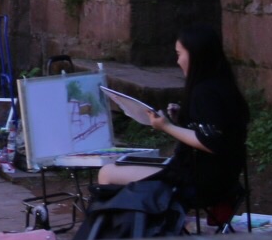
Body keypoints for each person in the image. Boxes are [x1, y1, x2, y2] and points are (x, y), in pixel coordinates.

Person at [97, 23, 250, 212]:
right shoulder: (223, 85)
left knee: (107, 173)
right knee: (125, 167)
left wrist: (167, 127)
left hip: (197, 183)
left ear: (195, 54)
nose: (177, 62)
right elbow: (214, 129)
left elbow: (211, 142)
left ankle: (118, 235)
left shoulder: (205, 92)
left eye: (179, 54)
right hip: (222, 180)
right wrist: (182, 119)